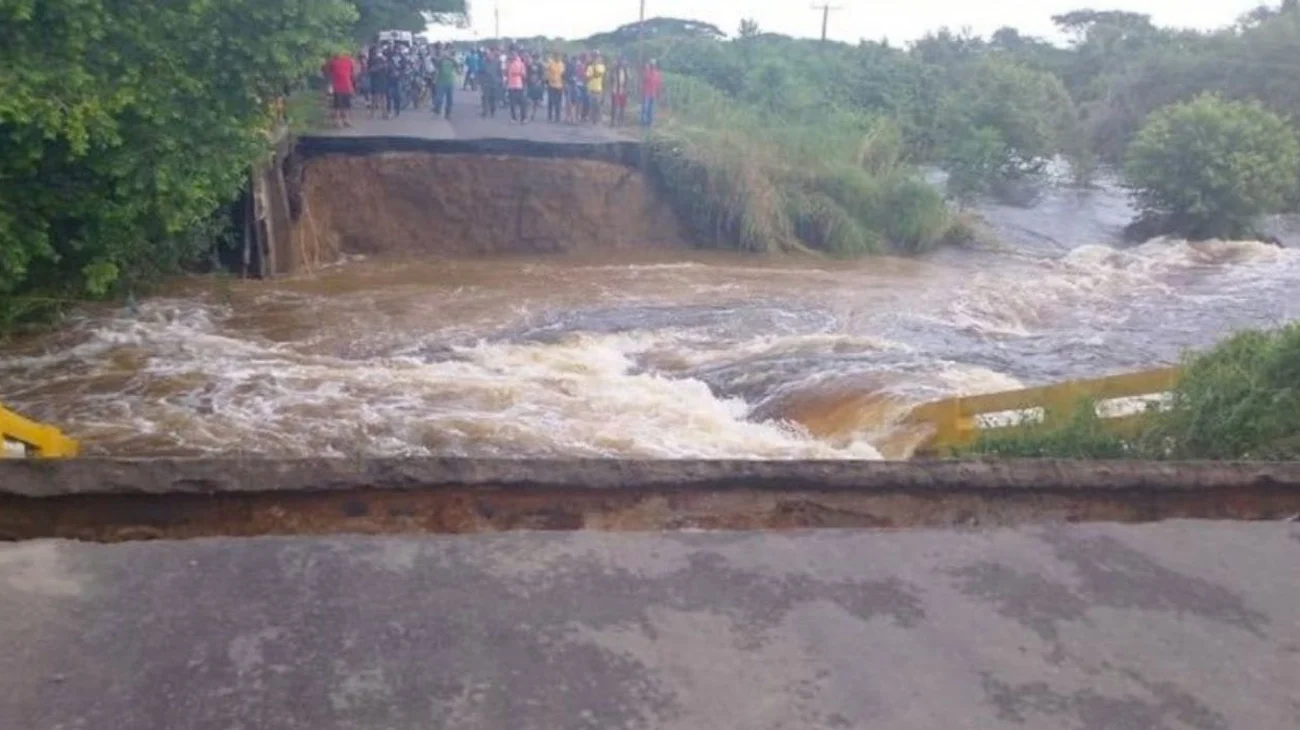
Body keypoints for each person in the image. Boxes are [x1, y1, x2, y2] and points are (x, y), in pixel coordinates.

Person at [324, 52, 356, 128]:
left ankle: (346, 120)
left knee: (346, 104)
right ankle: (337, 121)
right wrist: (330, 82)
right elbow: (326, 71)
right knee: (337, 105)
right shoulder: (333, 62)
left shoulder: (349, 61)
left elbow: (352, 73)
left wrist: (352, 86)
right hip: (337, 86)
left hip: (347, 85)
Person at [433, 47, 459, 119]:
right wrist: (442, 57)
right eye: (445, 52)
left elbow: (457, 65)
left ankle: (448, 113)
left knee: (450, 99)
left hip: (450, 81)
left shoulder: (452, 60)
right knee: (439, 98)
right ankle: (437, 108)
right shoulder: (440, 60)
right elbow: (436, 64)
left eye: (448, 52)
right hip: (440, 82)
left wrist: (450, 58)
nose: (446, 53)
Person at [505, 50, 527, 123]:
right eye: (511, 55)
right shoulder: (508, 63)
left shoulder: (520, 63)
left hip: (519, 85)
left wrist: (517, 74)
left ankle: (523, 118)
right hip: (511, 85)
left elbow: (524, 74)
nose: (512, 56)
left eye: (513, 55)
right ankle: (514, 118)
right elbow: (506, 72)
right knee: (512, 103)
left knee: (522, 103)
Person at [608, 57, 631, 127]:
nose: (621, 63)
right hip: (615, 90)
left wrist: (627, 89)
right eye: (620, 61)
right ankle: (613, 121)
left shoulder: (626, 70)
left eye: (622, 61)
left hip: (623, 90)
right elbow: (610, 80)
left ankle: (620, 121)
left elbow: (628, 80)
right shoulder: (614, 69)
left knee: (622, 107)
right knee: (614, 106)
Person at [585, 52, 606, 125]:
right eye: (594, 57)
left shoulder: (601, 66)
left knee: (598, 105)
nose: (595, 58)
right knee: (592, 105)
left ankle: (598, 119)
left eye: (596, 57)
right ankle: (593, 119)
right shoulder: (589, 67)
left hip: (598, 88)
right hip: (591, 88)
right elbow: (587, 77)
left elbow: (598, 74)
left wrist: (594, 68)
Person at [641, 59, 663, 128]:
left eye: (653, 65)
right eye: (651, 65)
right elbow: (644, 81)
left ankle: (649, 123)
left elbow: (659, 85)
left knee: (651, 110)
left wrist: (659, 94)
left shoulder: (657, 74)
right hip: (647, 93)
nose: (652, 66)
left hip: (653, 94)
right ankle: (644, 123)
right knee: (646, 108)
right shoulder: (647, 73)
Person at [367, 46, 388, 118]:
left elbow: (370, 70)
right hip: (379, 79)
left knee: (376, 97)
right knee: (380, 97)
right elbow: (371, 70)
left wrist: (377, 68)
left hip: (378, 79)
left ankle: (373, 114)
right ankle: (383, 113)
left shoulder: (374, 59)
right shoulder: (378, 59)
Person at [479, 49, 501, 117]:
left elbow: (499, 72)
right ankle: (485, 112)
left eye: (490, 55)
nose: (489, 56)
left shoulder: (497, 62)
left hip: (494, 82)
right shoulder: (483, 62)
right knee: (485, 98)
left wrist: (499, 80)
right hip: (486, 83)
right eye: (488, 55)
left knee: (493, 98)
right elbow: (480, 73)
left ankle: (492, 111)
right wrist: (481, 82)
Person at [544, 52, 565, 123]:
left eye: (559, 56)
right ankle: (549, 116)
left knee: (558, 102)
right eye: (556, 56)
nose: (558, 57)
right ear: (554, 56)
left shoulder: (561, 64)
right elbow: (545, 67)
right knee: (551, 101)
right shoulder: (551, 62)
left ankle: (557, 117)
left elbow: (563, 74)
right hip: (551, 85)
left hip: (559, 85)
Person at [526, 54, 545, 121]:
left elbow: (542, 75)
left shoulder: (540, 66)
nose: (535, 60)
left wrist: (539, 82)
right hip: (531, 84)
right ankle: (528, 114)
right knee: (529, 100)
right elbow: (527, 74)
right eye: (534, 58)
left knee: (536, 101)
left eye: (536, 58)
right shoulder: (529, 66)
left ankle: (533, 114)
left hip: (537, 85)